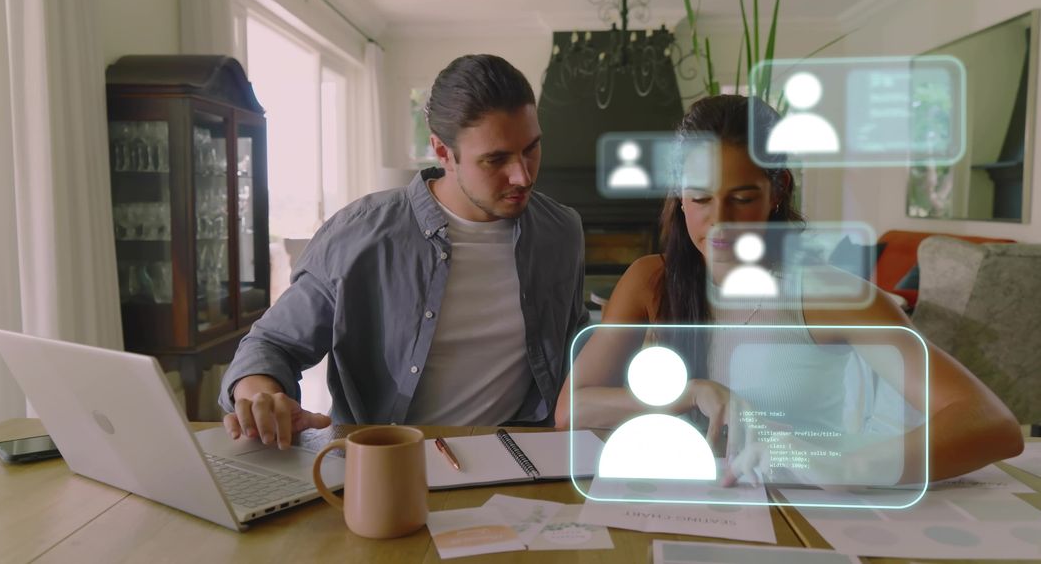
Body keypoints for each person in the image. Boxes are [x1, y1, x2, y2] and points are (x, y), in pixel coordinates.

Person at [555, 94, 1023, 484]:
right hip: (679, 500)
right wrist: (691, 391)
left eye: (742, 199)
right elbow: (570, 411)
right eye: (700, 199)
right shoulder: (650, 281)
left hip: (797, 513)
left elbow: (991, 423)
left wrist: (850, 467)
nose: (721, 223)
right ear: (679, 196)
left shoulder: (825, 296)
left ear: (777, 190)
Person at [220, 54, 589, 449]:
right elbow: (271, 344)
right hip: (385, 460)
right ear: (443, 153)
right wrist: (261, 394)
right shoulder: (359, 234)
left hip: (521, 456)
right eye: (495, 159)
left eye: (531, 149)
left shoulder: (560, 232)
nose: (523, 175)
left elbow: (575, 348)